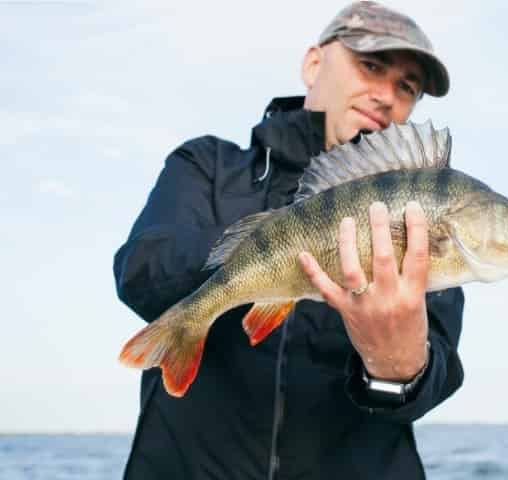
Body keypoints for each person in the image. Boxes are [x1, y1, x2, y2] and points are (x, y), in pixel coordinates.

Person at [113, 2, 464, 479]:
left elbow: (431, 379)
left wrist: (398, 369)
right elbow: (141, 272)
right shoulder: (207, 165)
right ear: (314, 64)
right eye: (371, 65)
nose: (385, 95)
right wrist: (272, 250)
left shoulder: (416, 215)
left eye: (406, 87)